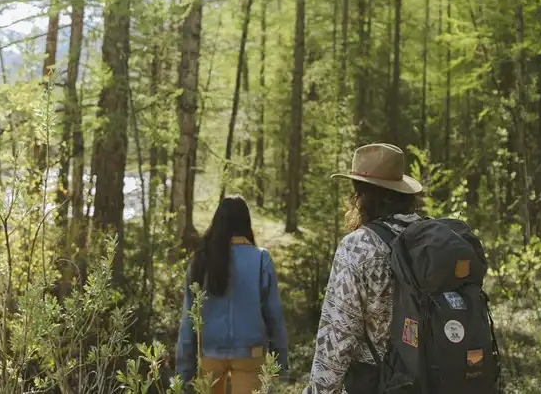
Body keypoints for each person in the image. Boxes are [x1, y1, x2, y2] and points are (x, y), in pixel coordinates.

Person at [303, 143, 424, 394]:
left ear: (362, 195)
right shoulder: (428, 237)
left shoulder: (359, 246)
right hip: (434, 377)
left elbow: (336, 337)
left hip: (381, 382)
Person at [177, 195, 289, 394]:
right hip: (251, 354)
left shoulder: (201, 260)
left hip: (209, 353)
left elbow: (188, 319)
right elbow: (274, 316)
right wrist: (280, 361)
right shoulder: (260, 259)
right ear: (246, 223)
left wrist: (184, 370)